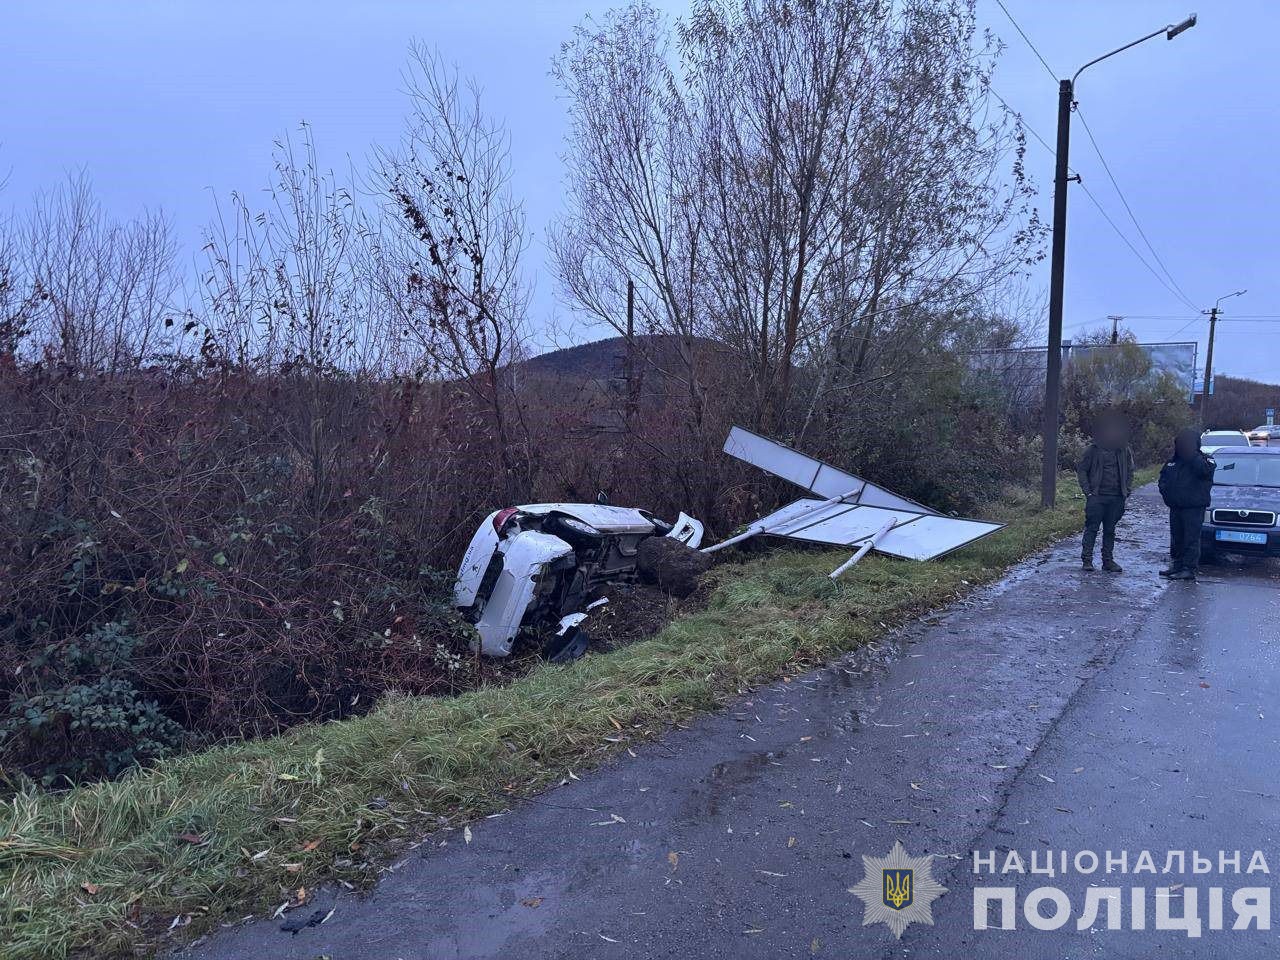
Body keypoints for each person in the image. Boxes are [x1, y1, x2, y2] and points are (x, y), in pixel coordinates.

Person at [1076, 413, 1135, 572]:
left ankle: (1108, 561)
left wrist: (1126, 489)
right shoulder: (1093, 450)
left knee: (1110, 530)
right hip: (1097, 497)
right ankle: (1087, 560)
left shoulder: (1124, 450)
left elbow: (1130, 470)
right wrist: (1088, 492)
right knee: (1092, 528)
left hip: (1116, 498)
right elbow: (1081, 470)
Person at [1158, 427, 1216, 581]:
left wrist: (1192, 455)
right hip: (1176, 506)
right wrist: (1166, 493)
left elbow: (1204, 472)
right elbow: (1163, 479)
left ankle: (1188, 569)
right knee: (1177, 537)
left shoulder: (1205, 460)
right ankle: (1177, 565)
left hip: (1194, 507)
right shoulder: (1172, 462)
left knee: (1191, 538)